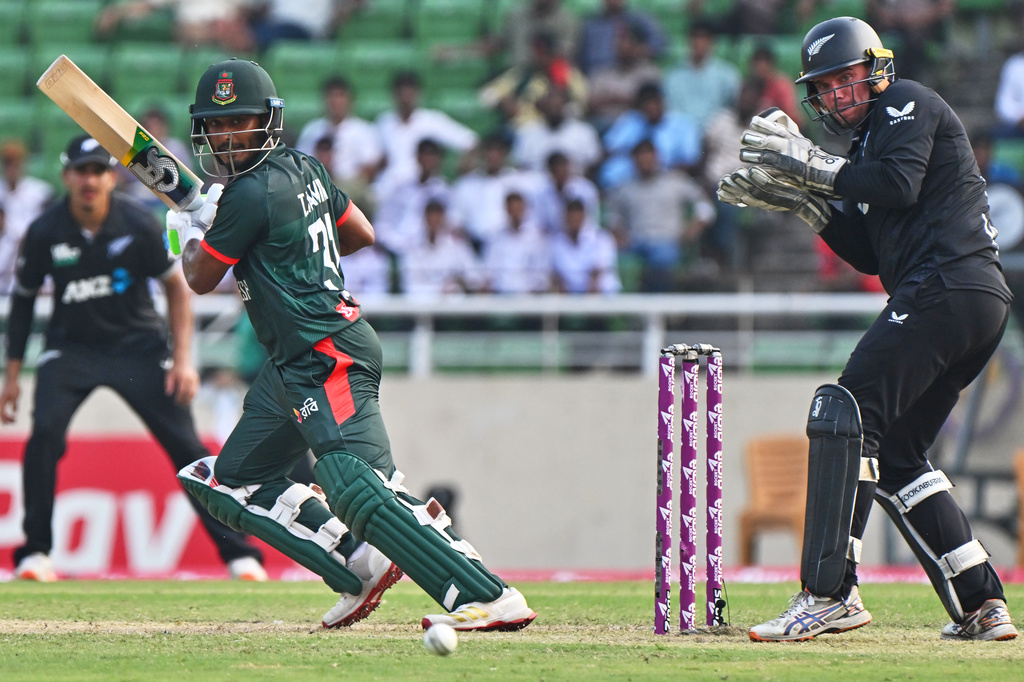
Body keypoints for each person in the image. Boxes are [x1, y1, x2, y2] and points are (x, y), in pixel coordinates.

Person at [171, 58, 536, 630]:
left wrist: (190, 227)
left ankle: (485, 593)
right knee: (227, 479)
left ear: (266, 122)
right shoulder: (306, 168)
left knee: (355, 482)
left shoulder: (245, 194)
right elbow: (360, 233)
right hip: (291, 364)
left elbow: (197, 277)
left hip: (326, 354)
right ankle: (358, 563)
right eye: (215, 125)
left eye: (237, 122)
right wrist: (273, 242)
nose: (224, 135)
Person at [718, 17, 1018, 642]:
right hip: (964, 299)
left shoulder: (909, 101)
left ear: (875, 71)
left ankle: (829, 592)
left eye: (845, 81)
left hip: (948, 286)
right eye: (823, 89)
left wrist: (814, 167)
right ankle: (983, 603)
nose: (835, 97)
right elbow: (868, 254)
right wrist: (807, 202)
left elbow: (898, 184)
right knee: (899, 455)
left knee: (845, 411)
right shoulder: (862, 152)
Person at [0, 135, 267, 583]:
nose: (90, 180)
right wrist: (11, 377)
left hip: (138, 347)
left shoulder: (138, 224)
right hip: (71, 349)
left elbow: (176, 288)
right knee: (43, 435)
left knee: (187, 449)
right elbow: (23, 303)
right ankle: (35, 555)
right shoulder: (45, 230)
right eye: (81, 171)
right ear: (66, 177)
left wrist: (183, 358)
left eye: (99, 171)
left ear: (111, 178)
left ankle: (240, 556)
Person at [608, 139, 715, 291]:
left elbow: (705, 207)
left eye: (649, 157)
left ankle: (655, 308)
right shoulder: (626, 188)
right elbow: (613, 216)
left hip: (666, 241)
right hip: (635, 242)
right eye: (641, 158)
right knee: (617, 264)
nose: (645, 162)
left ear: (656, 158)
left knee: (661, 259)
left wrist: (693, 229)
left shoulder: (675, 182)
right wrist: (619, 234)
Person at [374, 71, 478, 197]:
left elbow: (471, 141)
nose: (406, 97)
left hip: (423, 188)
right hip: (388, 189)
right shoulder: (384, 122)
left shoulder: (431, 120)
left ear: (418, 93)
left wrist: (463, 164)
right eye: (401, 92)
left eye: (410, 91)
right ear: (394, 95)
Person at [295, 76, 382, 212]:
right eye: (331, 96)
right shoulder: (312, 130)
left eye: (340, 96)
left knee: (370, 196)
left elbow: (370, 167)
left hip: (351, 184)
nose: (335, 101)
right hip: (318, 182)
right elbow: (300, 165)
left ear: (350, 100)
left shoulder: (363, 130)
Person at [663, 20, 741, 132]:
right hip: (682, 132)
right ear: (688, 41)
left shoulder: (727, 74)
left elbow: (732, 109)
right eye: (695, 38)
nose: (699, 42)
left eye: (704, 38)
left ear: (712, 42)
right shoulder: (673, 75)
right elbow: (671, 111)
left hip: (715, 132)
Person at [0, 140, 53, 295]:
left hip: (32, 250)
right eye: (8, 163)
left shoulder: (40, 191)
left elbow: (50, 224)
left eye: (16, 162)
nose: (12, 167)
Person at [576, 0, 666, 77]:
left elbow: (660, 42)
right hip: (595, 78)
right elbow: (579, 56)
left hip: (629, 76)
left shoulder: (636, 19)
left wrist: (638, 50)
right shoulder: (590, 25)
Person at [550, 199, 620, 294]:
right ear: (565, 217)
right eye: (571, 218)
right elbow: (556, 275)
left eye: (577, 218)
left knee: (605, 283)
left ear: (584, 216)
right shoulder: (557, 242)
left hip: (600, 294)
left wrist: (589, 302)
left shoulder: (601, 238)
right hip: (570, 294)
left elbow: (598, 271)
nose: (574, 221)